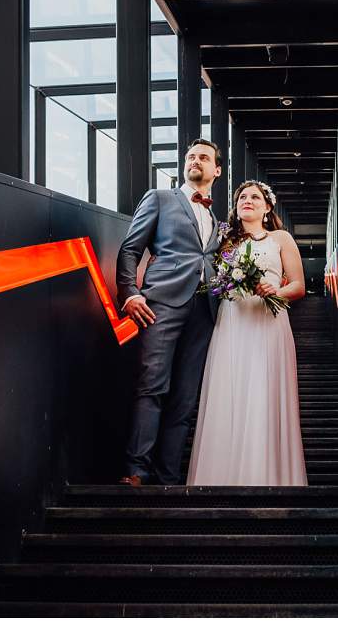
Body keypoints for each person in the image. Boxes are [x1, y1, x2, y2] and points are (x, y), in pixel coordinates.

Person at [187, 180, 309, 486]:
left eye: (255, 197)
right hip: (232, 322)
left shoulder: (281, 238)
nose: (248, 201)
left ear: (267, 208)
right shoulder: (225, 240)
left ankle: (266, 475)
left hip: (268, 321)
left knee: (264, 391)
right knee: (229, 389)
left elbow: (298, 285)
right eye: (243, 197)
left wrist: (276, 290)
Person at [115, 140, 222, 486]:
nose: (195, 161)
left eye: (204, 158)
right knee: (152, 386)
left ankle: (169, 477)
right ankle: (136, 470)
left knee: (186, 397)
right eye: (191, 157)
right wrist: (130, 293)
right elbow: (130, 249)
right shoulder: (160, 198)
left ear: (216, 170)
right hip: (160, 305)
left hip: (205, 311)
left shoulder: (216, 219)